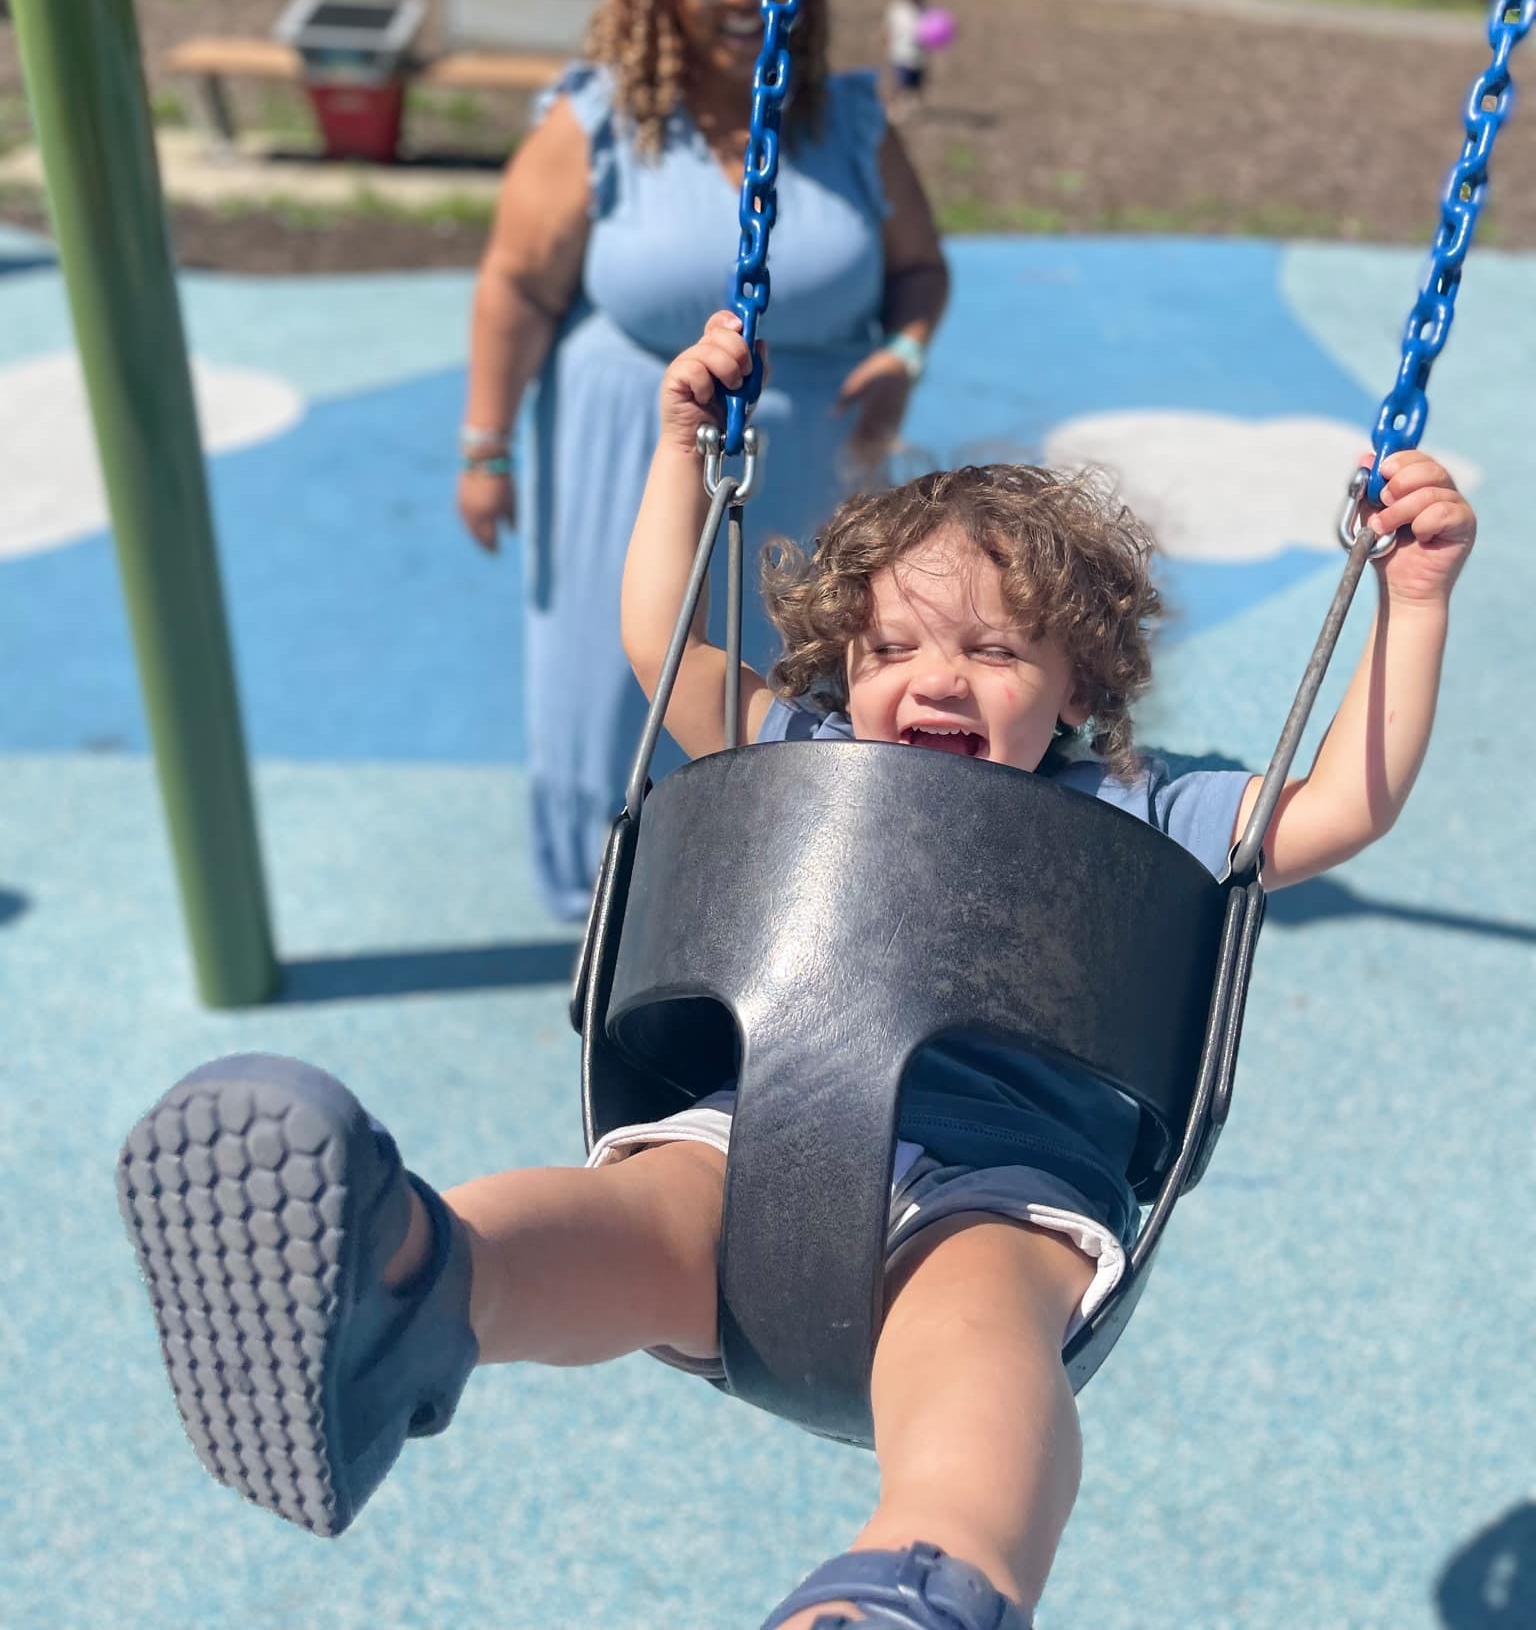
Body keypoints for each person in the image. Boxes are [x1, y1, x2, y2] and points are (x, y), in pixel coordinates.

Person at [116, 316, 1478, 1627]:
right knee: (643, 1221)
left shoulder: (1137, 802)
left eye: (994, 649)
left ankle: (907, 1590)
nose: (933, 679)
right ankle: (401, 1279)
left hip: (1002, 1182)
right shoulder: (814, 746)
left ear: (1082, 684)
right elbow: (666, 646)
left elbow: (1335, 809)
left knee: (981, 1348)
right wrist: (679, 459)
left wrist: (1409, 601)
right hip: (765, 1120)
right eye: (893, 647)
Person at [455, 0, 948, 923]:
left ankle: (782, 895)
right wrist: (486, 446)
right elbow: (515, 288)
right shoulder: (600, 124)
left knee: (796, 683)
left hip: (812, 463)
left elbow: (920, 270)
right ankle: (613, 910)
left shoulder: (852, 127)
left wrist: (904, 353)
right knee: (621, 673)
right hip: (629, 454)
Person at [884, 0, 929, 123]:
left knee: (917, 84)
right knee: (899, 84)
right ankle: (892, 108)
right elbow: (888, 28)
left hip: (918, 56)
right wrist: (887, 43)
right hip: (901, 54)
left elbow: (929, 32)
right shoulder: (899, 9)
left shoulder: (923, 10)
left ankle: (912, 105)